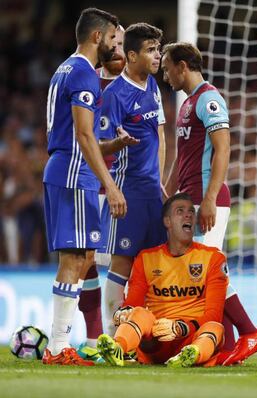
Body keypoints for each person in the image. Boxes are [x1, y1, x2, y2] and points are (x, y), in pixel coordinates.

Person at [161, 42, 257, 365]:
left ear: (182, 66)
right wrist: (166, 192)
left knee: (209, 273)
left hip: (209, 199)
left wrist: (208, 198)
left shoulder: (208, 98)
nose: (164, 75)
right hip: (190, 196)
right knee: (206, 275)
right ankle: (227, 345)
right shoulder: (187, 104)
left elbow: (223, 149)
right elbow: (183, 155)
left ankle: (250, 333)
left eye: (167, 68)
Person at [42, 8, 133, 366]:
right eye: (114, 38)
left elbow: (82, 134)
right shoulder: (83, 73)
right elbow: (81, 135)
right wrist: (110, 184)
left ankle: (59, 344)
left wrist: (113, 145)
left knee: (82, 258)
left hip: (65, 167)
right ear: (97, 37)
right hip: (73, 172)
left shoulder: (65, 68)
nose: (116, 46)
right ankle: (57, 346)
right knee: (75, 258)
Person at [96, 192, 229, 367]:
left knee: (215, 327)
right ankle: (118, 348)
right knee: (139, 313)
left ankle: (192, 355)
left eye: (191, 211)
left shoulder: (213, 258)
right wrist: (125, 311)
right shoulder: (146, 258)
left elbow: (214, 313)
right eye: (180, 211)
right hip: (156, 339)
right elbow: (133, 302)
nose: (188, 214)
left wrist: (181, 327)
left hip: (191, 335)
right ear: (167, 222)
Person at [98, 23, 167, 337]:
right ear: (131, 55)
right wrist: (117, 143)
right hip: (127, 194)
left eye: (158, 49)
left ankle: (147, 336)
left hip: (153, 193)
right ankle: (111, 337)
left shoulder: (152, 85)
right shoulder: (114, 94)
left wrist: (161, 181)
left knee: (154, 268)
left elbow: (160, 135)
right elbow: (97, 145)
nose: (158, 56)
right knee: (122, 266)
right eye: (151, 50)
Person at [77, 24, 129, 362]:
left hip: (128, 186)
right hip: (93, 184)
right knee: (86, 261)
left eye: (125, 43)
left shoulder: (141, 84)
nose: (120, 49)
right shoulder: (87, 82)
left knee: (128, 260)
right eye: (116, 42)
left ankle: (126, 336)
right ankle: (94, 337)